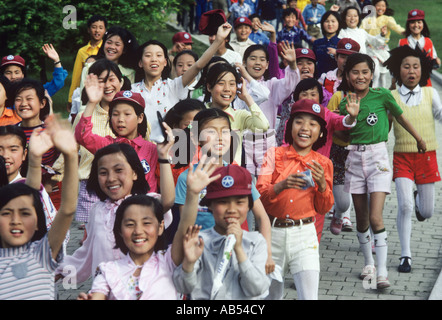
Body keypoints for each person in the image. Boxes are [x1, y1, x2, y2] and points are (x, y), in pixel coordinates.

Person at [337, 53, 426, 289]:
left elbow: (400, 117)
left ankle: (382, 272)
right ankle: (368, 264)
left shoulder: (383, 95)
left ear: (372, 74)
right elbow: (340, 135)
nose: (361, 76)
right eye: (355, 72)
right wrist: (350, 117)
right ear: (347, 76)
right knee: (362, 219)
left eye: (365, 72)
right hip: (354, 159)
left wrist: (418, 137)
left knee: (376, 217)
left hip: (378, 160)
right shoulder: (346, 102)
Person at [56, 139, 175, 284]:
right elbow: (86, 253)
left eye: (119, 170)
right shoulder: (96, 210)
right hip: (106, 290)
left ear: (135, 173)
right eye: (103, 173)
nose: (111, 178)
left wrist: (163, 157)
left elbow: (168, 201)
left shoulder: (144, 204)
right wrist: (59, 271)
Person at [257, 99, 334, 300]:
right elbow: (260, 197)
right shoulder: (272, 155)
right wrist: (282, 185)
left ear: (321, 132)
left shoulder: (323, 163)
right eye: (299, 121)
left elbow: (324, 208)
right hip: (271, 234)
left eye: (312, 124)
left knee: (309, 297)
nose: (305, 128)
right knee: (270, 296)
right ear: (290, 126)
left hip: (305, 235)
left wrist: (322, 185)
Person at [0, 114, 78, 300]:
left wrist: (71, 155)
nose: (16, 220)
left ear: (37, 221)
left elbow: (67, 208)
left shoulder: (41, 252)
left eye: (25, 213)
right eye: (6, 213)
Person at [173, 163, 271, 299]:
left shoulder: (256, 242)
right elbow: (182, 287)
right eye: (223, 202)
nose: (231, 209)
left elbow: (257, 289)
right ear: (210, 205)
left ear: (249, 205)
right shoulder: (199, 241)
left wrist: (239, 251)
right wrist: (189, 264)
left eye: (239, 202)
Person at [384, 45, 442, 273]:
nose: (411, 71)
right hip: (402, 158)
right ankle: (405, 256)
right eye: (406, 66)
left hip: (427, 158)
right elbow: (384, 129)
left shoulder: (431, 93)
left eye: (416, 66)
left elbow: (440, 114)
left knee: (426, 212)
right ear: (398, 70)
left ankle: (420, 199)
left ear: (423, 70)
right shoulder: (392, 96)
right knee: (405, 206)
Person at [132, 22, 233, 143]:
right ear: (140, 63)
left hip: (169, 149)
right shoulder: (132, 90)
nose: (154, 59)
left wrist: (218, 40)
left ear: (165, 62)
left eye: (159, 55)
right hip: (140, 148)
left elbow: (198, 65)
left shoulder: (173, 86)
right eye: (148, 55)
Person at [75, 81, 158, 192]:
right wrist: (91, 103)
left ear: (140, 117)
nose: (120, 119)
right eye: (115, 114)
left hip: (146, 206)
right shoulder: (108, 146)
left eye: (127, 114)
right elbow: (82, 135)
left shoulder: (152, 149)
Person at [203, 62, 270, 165]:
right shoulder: (200, 114)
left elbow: (263, 126)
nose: (227, 89)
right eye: (221, 83)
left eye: (232, 84)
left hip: (232, 177)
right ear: (209, 87)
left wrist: (247, 97)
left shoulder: (240, 115)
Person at [360, 0, 405, 88]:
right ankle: (373, 90)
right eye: (378, 6)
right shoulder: (368, 19)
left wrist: (407, 32)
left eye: (383, 6)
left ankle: (383, 92)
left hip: (382, 50)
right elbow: (360, 31)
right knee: (375, 72)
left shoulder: (387, 19)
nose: (381, 8)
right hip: (371, 50)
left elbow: (397, 27)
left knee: (383, 74)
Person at [67, 14, 107, 108]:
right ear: (88, 30)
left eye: (101, 28)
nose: (97, 30)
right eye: (94, 27)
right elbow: (76, 77)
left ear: (105, 31)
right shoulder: (82, 51)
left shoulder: (107, 50)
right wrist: (70, 99)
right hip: (86, 91)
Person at [1, 45, 68, 97]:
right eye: (8, 73)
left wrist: (56, 60)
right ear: (3, 75)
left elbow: (58, 83)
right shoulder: (1, 92)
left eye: (17, 72)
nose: (13, 76)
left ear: (22, 74)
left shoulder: (33, 91)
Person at [398, 9, 440, 87]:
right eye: (412, 22)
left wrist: (437, 63)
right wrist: (393, 82)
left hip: (425, 83)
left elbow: (434, 62)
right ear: (408, 24)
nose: (416, 25)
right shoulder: (402, 43)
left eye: (419, 22)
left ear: (423, 24)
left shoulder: (428, 42)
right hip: (408, 84)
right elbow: (396, 65)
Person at [312, 10, 342, 78]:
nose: (330, 24)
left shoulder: (341, 43)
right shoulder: (317, 43)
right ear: (322, 23)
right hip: (318, 78)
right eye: (327, 21)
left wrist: (337, 54)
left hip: (336, 79)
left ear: (339, 23)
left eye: (333, 21)